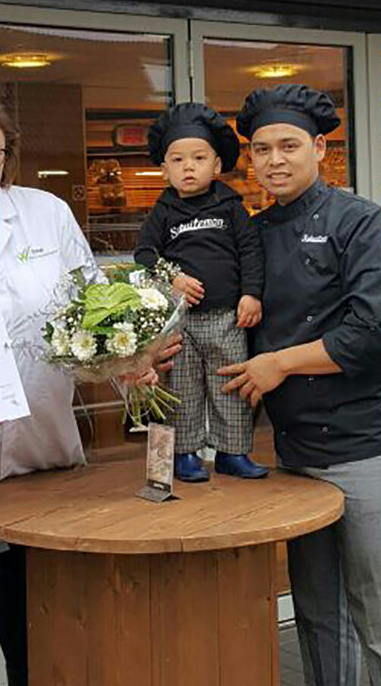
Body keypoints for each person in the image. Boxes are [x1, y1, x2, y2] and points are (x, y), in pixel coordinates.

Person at [0, 93, 176, 686]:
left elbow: (92, 308)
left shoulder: (44, 213)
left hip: (41, 452)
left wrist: (129, 360)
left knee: (36, 631)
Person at [220, 84, 381, 686]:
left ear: (320, 149)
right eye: (262, 149)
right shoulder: (254, 232)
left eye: (288, 146)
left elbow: (374, 332)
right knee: (316, 614)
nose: (274, 160)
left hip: (365, 445)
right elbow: (234, 320)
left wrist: (279, 364)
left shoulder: (360, 222)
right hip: (295, 453)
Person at [134, 102, 268, 482]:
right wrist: (173, 277)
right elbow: (144, 254)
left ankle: (232, 452)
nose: (188, 167)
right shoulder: (163, 211)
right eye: (177, 160)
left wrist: (251, 294)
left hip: (227, 317)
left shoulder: (230, 207)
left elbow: (250, 251)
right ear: (164, 169)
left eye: (198, 158)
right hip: (181, 322)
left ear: (217, 165)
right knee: (184, 389)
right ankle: (183, 455)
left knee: (230, 385)